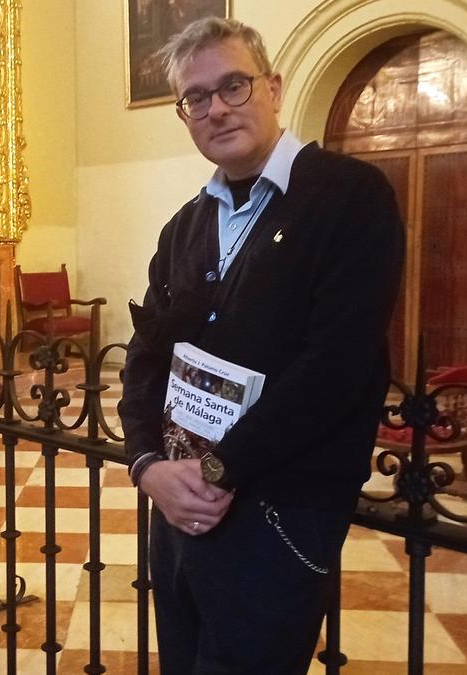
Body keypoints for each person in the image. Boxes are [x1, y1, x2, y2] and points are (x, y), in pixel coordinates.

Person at [119, 18, 404, 673]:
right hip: (181, 508)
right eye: (196, 97)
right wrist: (146, 465)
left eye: (234, 85)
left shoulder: (350, 198)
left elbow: (337, 366)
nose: (216, 107)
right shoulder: (185, 227)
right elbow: (146, 357)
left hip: (277, 513)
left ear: (273, 88)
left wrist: (218, 469)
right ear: (183, 114)